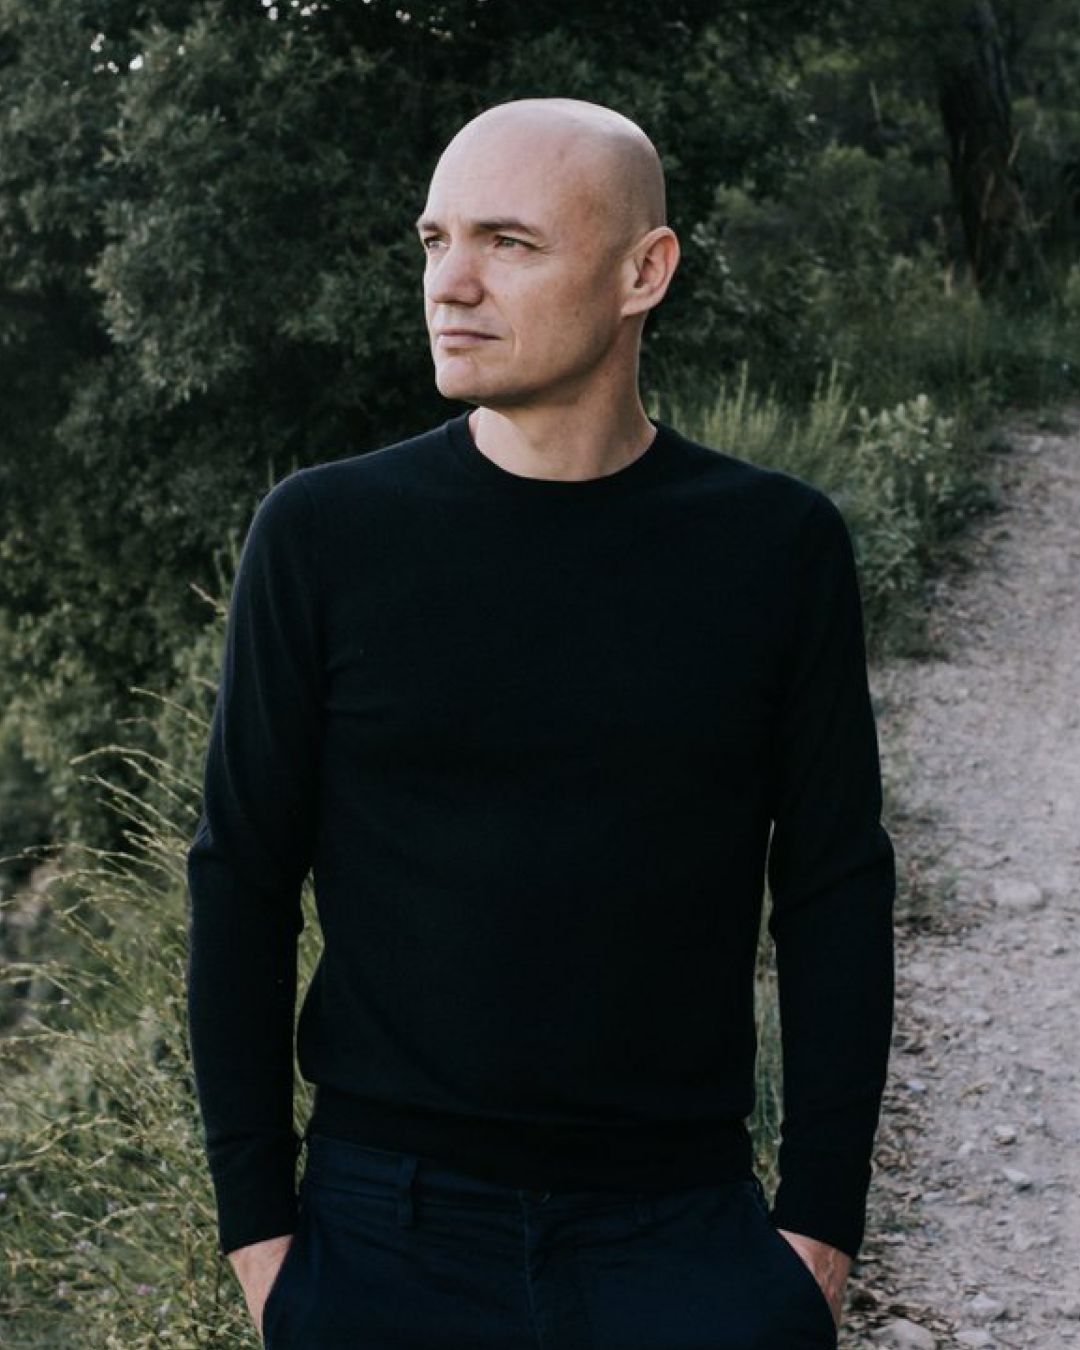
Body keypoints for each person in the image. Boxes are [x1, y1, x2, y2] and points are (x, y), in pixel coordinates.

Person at [186, 96, 895, 1348]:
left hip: (685, 1239)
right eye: (434, 240)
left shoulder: (774, 547)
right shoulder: (324, 535)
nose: (450, 284)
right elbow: (240, 877)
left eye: (507, 242)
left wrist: (818, 1231)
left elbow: (835, 885)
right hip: (380, 1236)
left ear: (643, 273)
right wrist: (262, 1242)